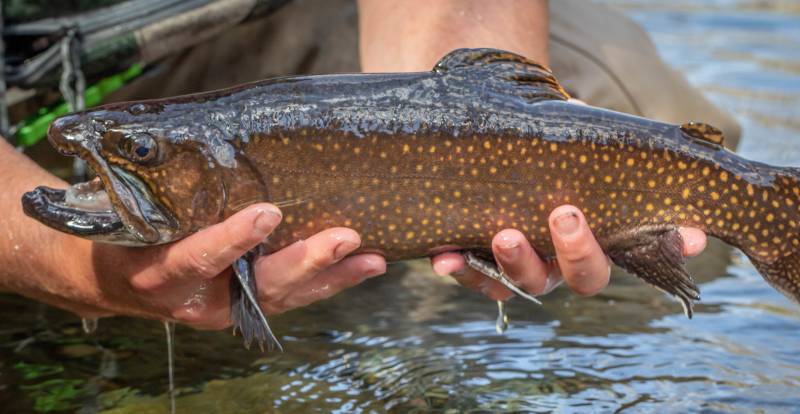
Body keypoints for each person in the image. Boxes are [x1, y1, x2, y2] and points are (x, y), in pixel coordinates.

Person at [0, 0, 718, 332]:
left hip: (268, 23)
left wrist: (494, 129)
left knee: (642, 109)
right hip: (27, 82)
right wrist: (68, 269)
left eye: (144, 157)